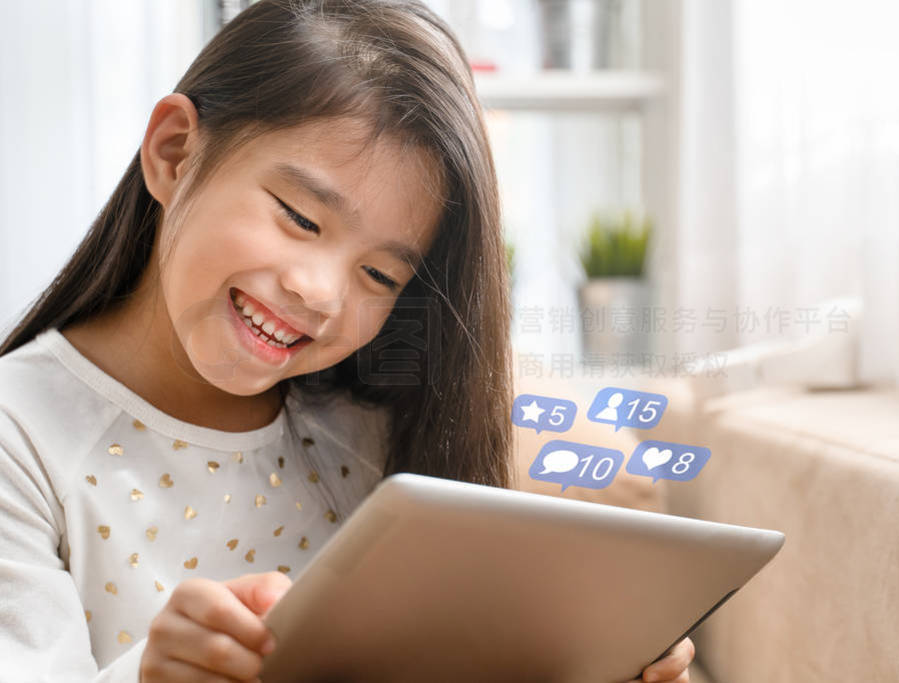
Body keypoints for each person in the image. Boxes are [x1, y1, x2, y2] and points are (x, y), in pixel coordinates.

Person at [0, 1, 695, 681]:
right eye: (301, 218)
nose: (323, 293)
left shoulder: (372, 437)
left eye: (378, 273)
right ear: (175, 152)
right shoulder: (21, 432)